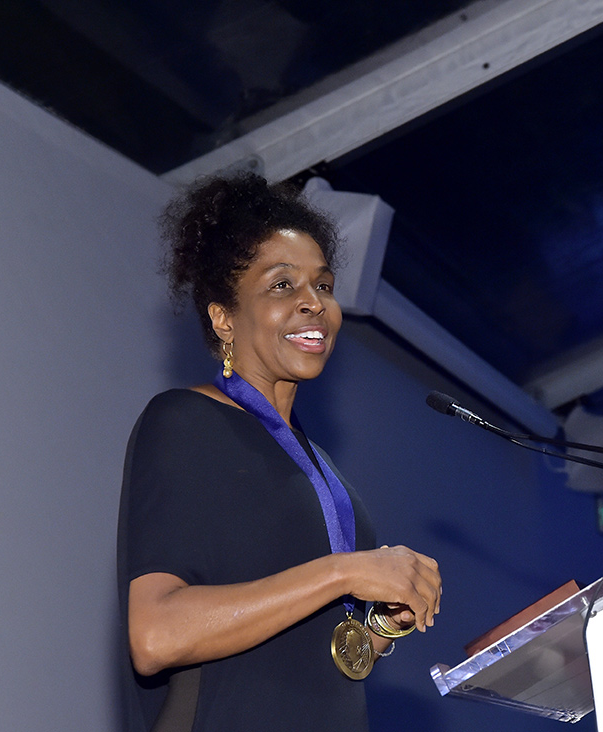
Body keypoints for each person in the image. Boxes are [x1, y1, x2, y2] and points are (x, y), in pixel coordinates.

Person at [117, 172, 442, 731]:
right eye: (282, 285)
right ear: (223, 317)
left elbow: (302, 645)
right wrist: (344, 573)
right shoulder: (185, 421)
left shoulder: (322, 467)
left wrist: (383, 623)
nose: (314, 303)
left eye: (324, 285)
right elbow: (157, 634)